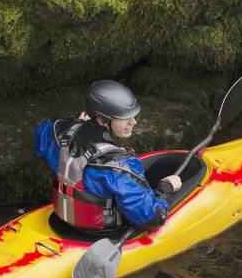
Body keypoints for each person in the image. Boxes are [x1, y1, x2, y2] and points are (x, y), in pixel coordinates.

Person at [34, 79, 179, 236]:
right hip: (101, 235)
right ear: (102, 120)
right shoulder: (119, 166)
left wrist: (76, 124)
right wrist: (166, 189)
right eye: (125, 118)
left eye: (133, 116)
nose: (134, 122)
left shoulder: (59, 132)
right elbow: (152, 218)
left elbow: (41, 132)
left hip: (60, 221)